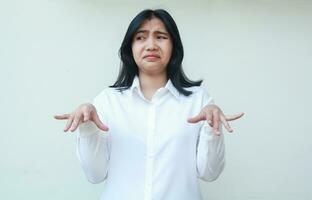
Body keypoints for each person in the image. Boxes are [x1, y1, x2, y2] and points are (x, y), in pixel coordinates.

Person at [54, 9, 243, 200]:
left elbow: (210, 173)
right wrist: (87, 127)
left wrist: (212, 128)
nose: (151, 45)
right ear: (130, 47)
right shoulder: (107, 101)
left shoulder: (199, 100)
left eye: (161, 37)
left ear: (174, 47)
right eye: (140, 38)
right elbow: (95, 175)